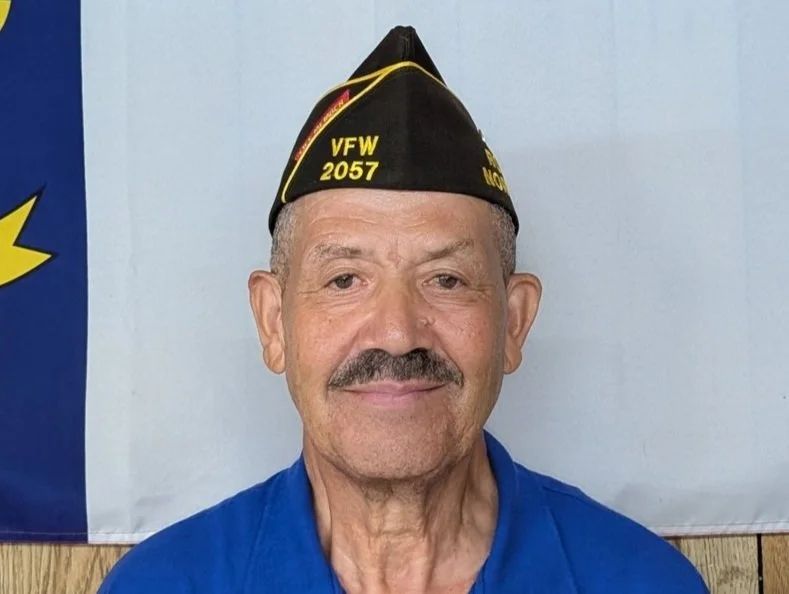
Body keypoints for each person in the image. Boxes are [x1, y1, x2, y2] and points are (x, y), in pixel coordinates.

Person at [99, 25, 708, 593]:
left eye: (446, 278)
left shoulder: (643, 581)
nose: (396, 332)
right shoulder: (160, 584)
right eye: (344, 280)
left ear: (515, 321)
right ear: (273, 320)